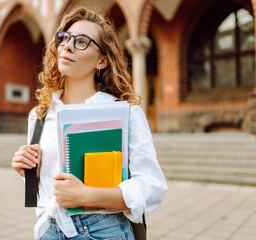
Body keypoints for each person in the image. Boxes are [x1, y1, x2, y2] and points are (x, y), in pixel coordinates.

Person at [12, 8, 167, 240]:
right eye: (65, 38)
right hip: (50, 229)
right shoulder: (40, 115)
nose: (68, 46)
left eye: (82, 42)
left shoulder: (125, 113)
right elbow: (46, 185)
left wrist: (86, 195)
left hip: (104, 230)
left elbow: (152, 186)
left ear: (102, 60)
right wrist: (26, 170)